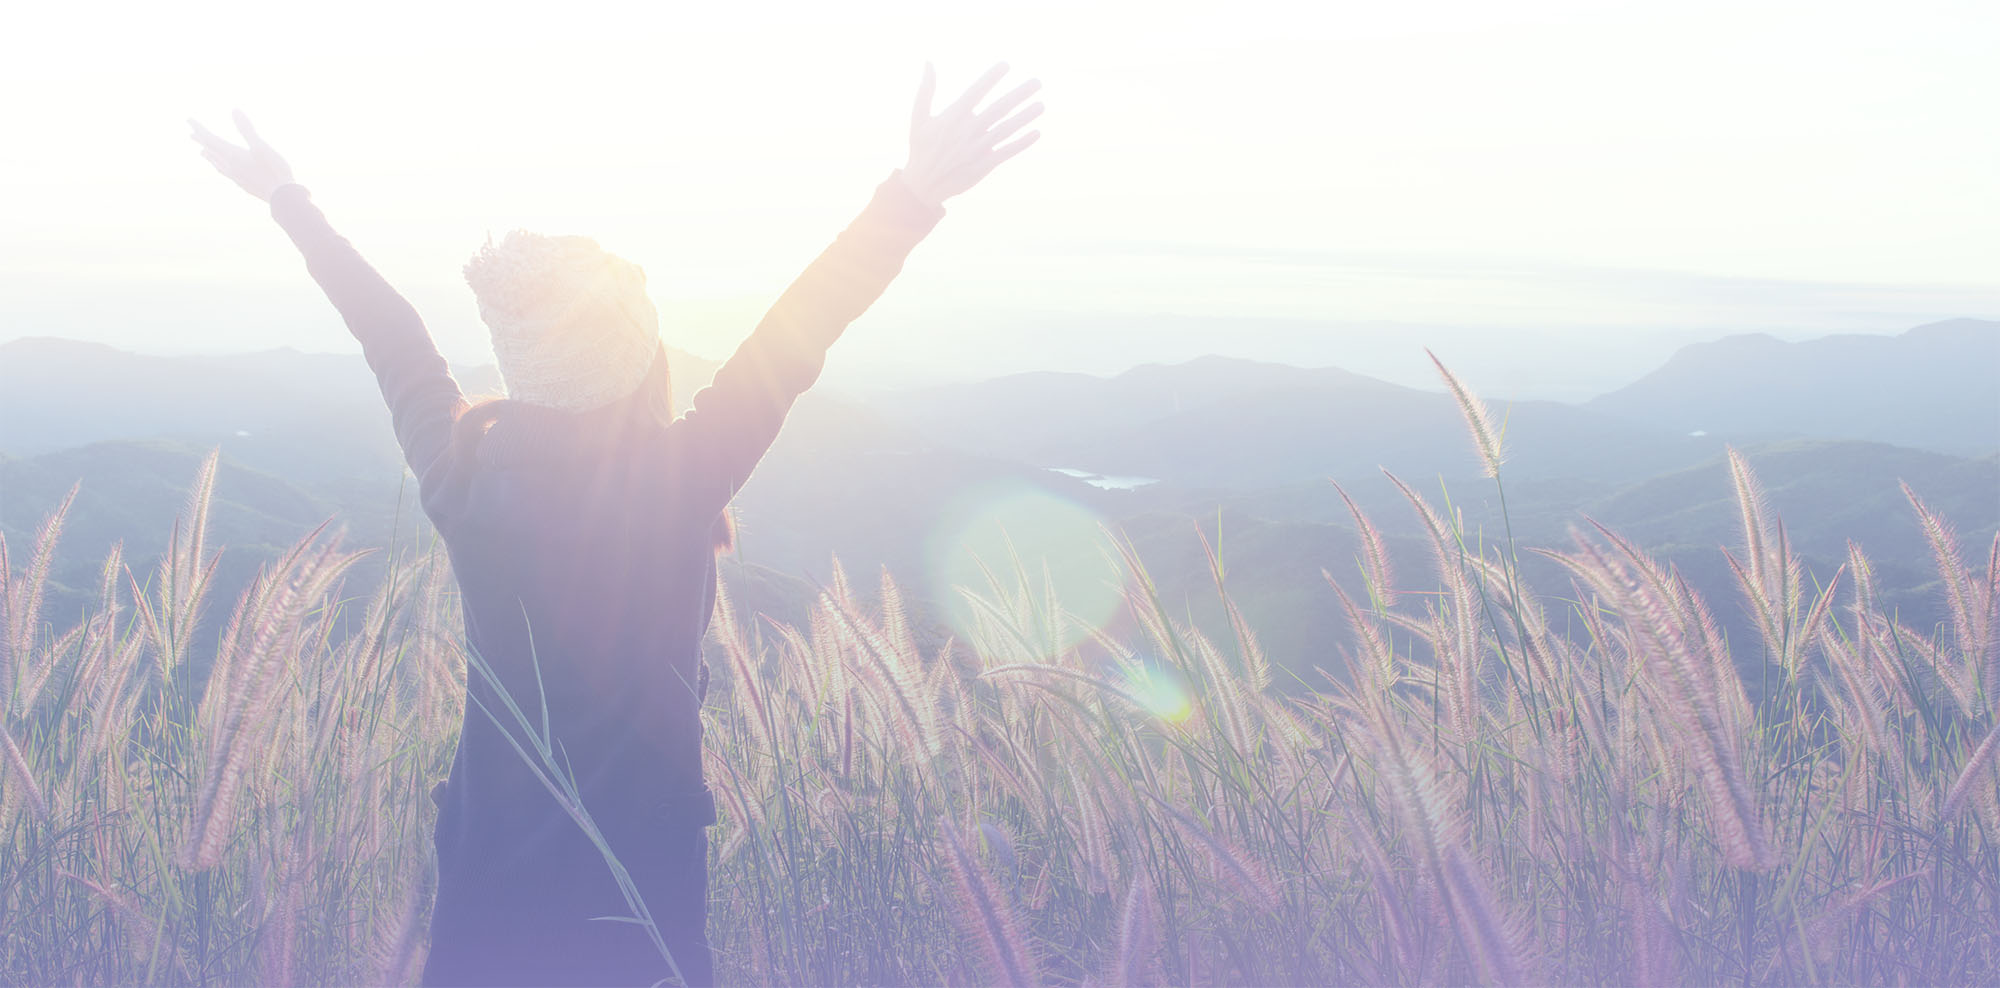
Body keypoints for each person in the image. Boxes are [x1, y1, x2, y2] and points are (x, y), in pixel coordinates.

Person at [190, 63, 1042, 987]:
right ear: (641, 354)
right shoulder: (677, 481)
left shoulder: (461, 480)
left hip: (486, 882)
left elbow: (389, 332)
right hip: (641, 883)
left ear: (516, 360)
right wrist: (910, 197)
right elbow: (797, 332)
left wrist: (286, 195)